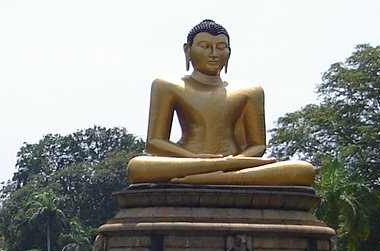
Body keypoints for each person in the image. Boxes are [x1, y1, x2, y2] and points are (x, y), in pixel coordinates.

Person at [126, 19, 315, 186]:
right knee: (138, 166)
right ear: (187, 50)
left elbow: (257, 146)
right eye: (205, 46)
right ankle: (218, 176)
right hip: (189, 162)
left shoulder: (250, 91)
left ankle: (213, 178)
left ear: (229, 53)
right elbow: (155, 142)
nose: (214, 53)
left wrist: (233, 162)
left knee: (303, 170)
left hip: (235, 165)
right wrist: (200, 161)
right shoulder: (167, 86)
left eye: (221, 47)